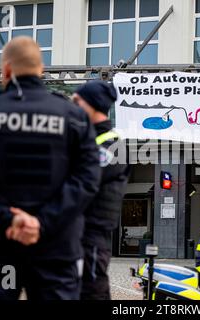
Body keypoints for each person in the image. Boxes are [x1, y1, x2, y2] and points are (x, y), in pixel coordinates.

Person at [0, 36, 101, 300]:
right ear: (40, 70)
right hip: (56, 247)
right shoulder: (74, 118)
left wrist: (8, 218)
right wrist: (41, 223)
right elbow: (87, 180)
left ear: (6, 70)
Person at [73, 81, 130, 300]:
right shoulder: (85, 138)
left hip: (93, 233)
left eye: (78, 101)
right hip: (78, 231)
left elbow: (83, 179)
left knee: (92, 289)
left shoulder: (112, 145)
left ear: (93, 105)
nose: (73, 105)